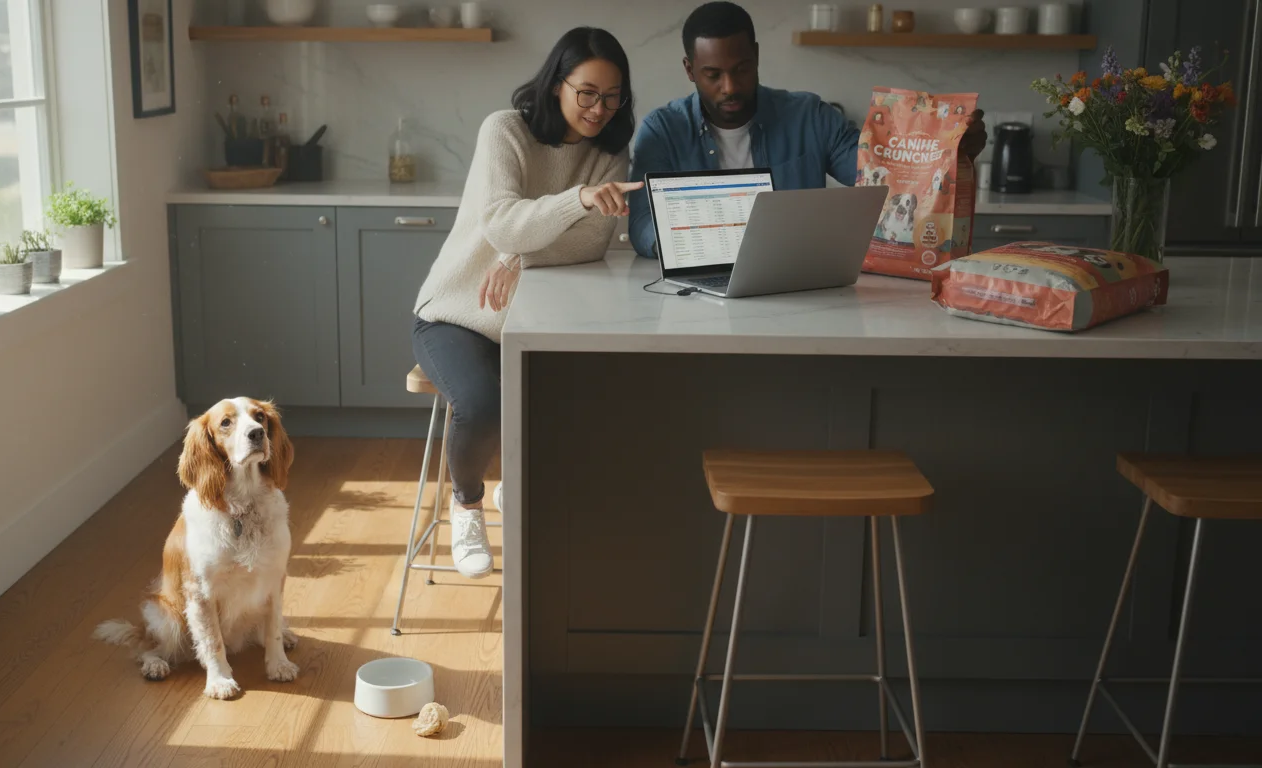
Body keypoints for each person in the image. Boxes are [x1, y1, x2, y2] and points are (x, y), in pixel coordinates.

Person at [411, 27, 641, 578]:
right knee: (482, 403)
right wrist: (577, 199)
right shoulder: (505, 130)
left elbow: (592, 242)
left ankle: (519, 487)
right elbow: (500, 221)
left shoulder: (610, 152)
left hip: (532, 313)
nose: (599, 109)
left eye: (613, 97)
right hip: (457, 310)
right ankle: (466, 504)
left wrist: (519, 257)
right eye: (587, 92)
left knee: (573, 394)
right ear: (556, 84)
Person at [627, 1, 988, 259]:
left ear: (756, 56)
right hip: (701, 281)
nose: (730, 86)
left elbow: (880, 172)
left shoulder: (809, 115)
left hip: (798, 279)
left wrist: (952, 150)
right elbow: (642, 222)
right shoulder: (662, 130)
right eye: (712, 75)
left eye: (741, 69)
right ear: (690, 70)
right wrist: (696, 246)